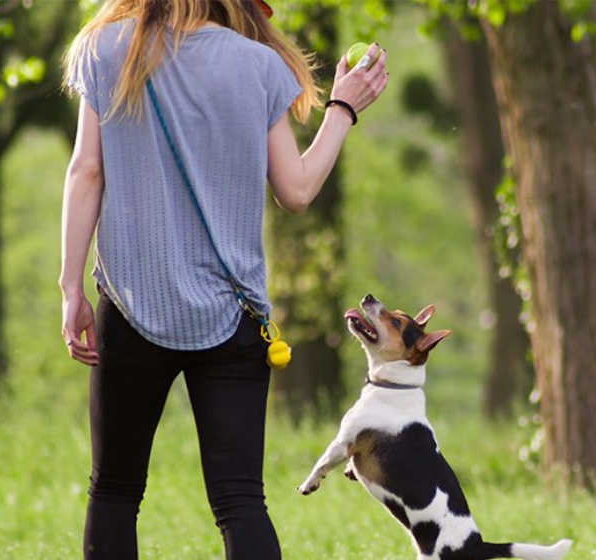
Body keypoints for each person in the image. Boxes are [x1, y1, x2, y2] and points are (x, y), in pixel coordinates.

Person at [59, 0, 387, 557]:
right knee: (239, 499)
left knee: (114, 490)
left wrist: (71, 288)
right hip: (232, 317)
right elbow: (298, 191)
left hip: (132, 304)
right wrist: (342, 109)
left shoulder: (105, 48)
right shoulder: (259, 65)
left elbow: (86, 170)